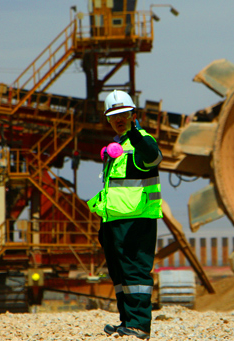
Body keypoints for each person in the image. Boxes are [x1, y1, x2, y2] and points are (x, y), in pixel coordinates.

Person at [88, 90, 163, 340]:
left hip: (137, 221)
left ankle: (140, 325)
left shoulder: (141, 141)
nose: (118, 119)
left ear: (133, 114)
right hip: (114, 221)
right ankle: (127, 321)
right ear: (108, 119)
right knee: (120, 274)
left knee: (135, 273)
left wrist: (134, 135)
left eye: (123, 114)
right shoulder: (117, 146)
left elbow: (153, 156)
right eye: (113, 115)